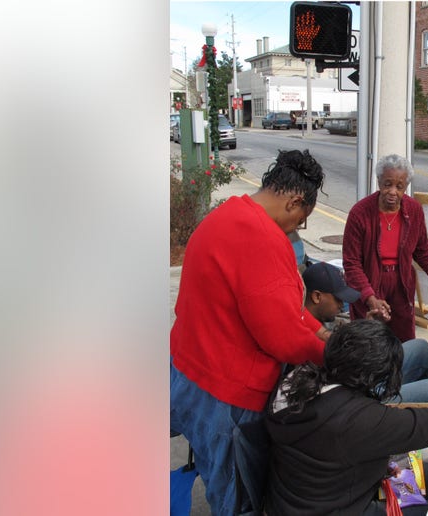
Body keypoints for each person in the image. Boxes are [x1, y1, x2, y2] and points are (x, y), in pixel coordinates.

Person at [169, 149, 328, 516]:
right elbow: (283, 338)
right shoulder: (263, 239)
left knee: (213, 470)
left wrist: (319, 331)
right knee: (235, 496)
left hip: (190, 372)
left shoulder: (227, 214)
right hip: (224, 395)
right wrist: (333, 352)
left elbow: (282, 309)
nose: (296, 229)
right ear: (295, 201)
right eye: (301, 221)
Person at [265, 319, 428, 516]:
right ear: (369, 377)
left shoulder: (301, 380)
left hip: (303, 500)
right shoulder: (358, 420)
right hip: (339, 509)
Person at [301, 261, 428, 403]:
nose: (342, 305)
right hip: (352, 399)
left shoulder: (311, 319)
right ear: (317, 297)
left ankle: (423, 419)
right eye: (338, 299)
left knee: (421, 349)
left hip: (357, 382)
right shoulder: (304, 334)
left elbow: (344, 349)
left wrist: (367, 329)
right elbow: (350, 366)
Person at [343, 154, 428, 342]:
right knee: (368, 342)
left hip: (401, 283)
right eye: (387, 184)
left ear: (406, 187)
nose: (393, 191)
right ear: (379, 182)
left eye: (399, 187)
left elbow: (423, 251)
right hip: (369, 282)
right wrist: (370, 298)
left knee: (403, 340)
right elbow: (351, 264)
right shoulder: (359, 213)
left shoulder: (414, 210)